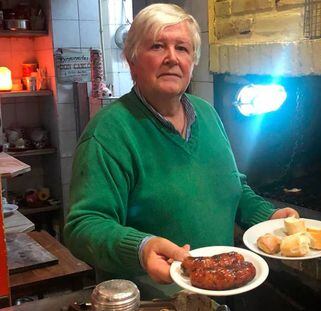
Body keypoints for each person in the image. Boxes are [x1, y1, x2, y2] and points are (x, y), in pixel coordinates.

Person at [63, 3, 299, 299]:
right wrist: (141, 247)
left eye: (183, 49)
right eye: (158, 46)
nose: (172, 58)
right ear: (132, 59)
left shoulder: (207, 115)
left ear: (192, 62)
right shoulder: (110, 132)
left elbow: (232, 188)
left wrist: (268, 215)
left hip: (220, 292)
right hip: (153, 300)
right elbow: (83, 226)